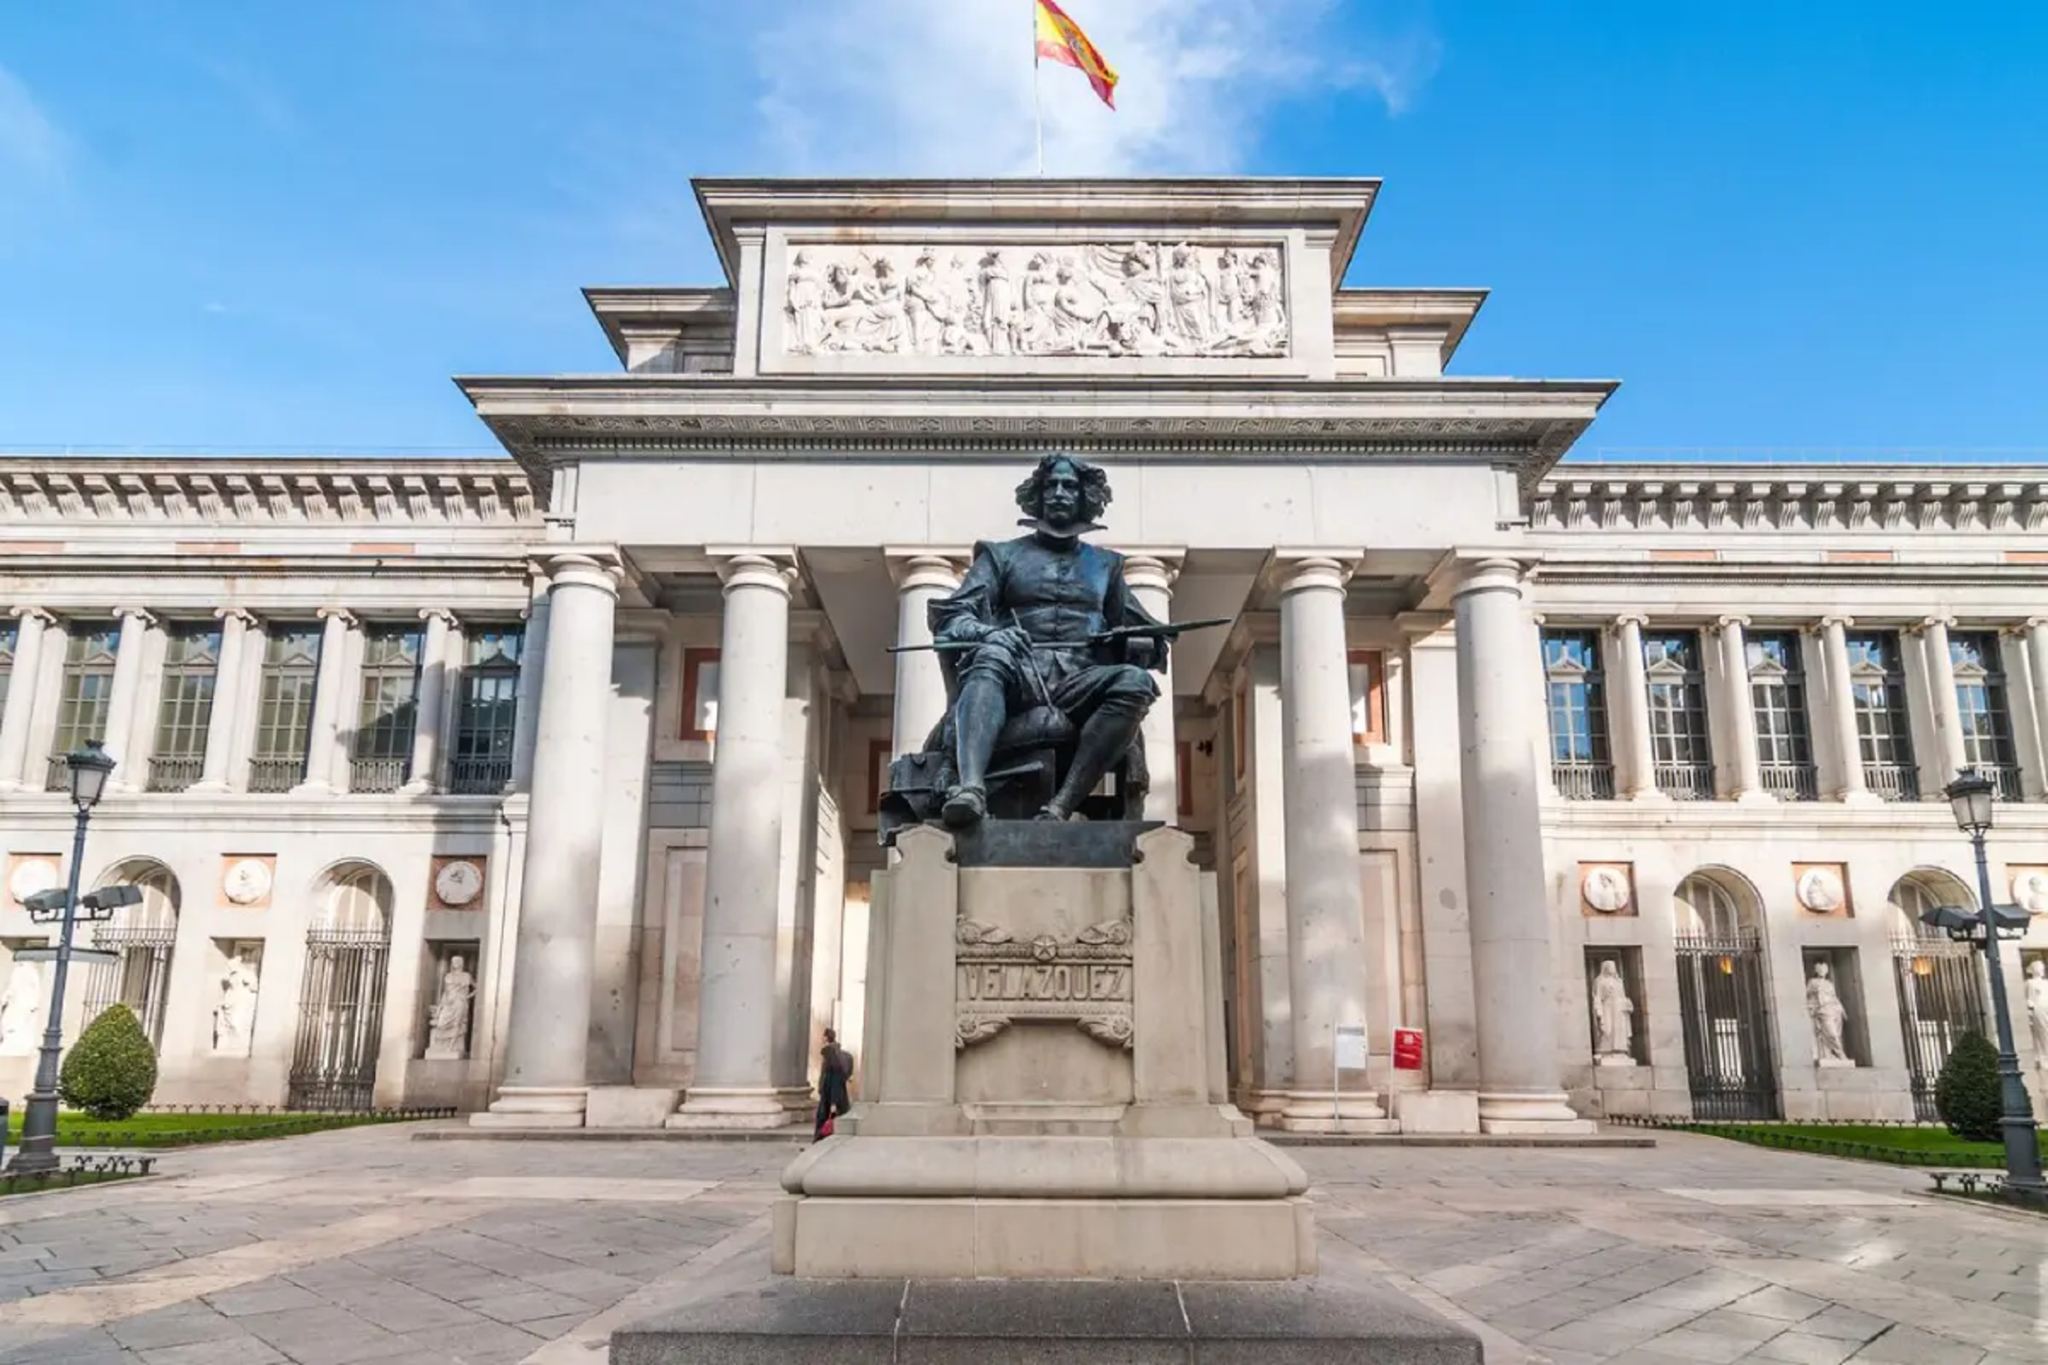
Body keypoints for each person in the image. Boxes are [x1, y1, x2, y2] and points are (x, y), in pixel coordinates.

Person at [929, 453, 1166, 826]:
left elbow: (1144, 637)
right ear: (1036, 496)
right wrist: (992, 633)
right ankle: (970, 791)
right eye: (1050, 485)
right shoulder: (1000, 556)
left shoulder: (1107, 566)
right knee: (991, 653)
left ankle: (1062, 805)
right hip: (1017, 677)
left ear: (1085, 496)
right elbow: (951, 618)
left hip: (1079, 683)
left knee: (1136, 682)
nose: (1058, 493)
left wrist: (1144, 639)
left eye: (1069, 486)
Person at [814, 1028, 852, 1141]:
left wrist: (833, 1102)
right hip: (833, 1096)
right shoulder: (840, 1058)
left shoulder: (833, 1065)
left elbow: (833, 1083)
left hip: (830, 1098)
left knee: (825, 1120)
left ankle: (819, 1141)